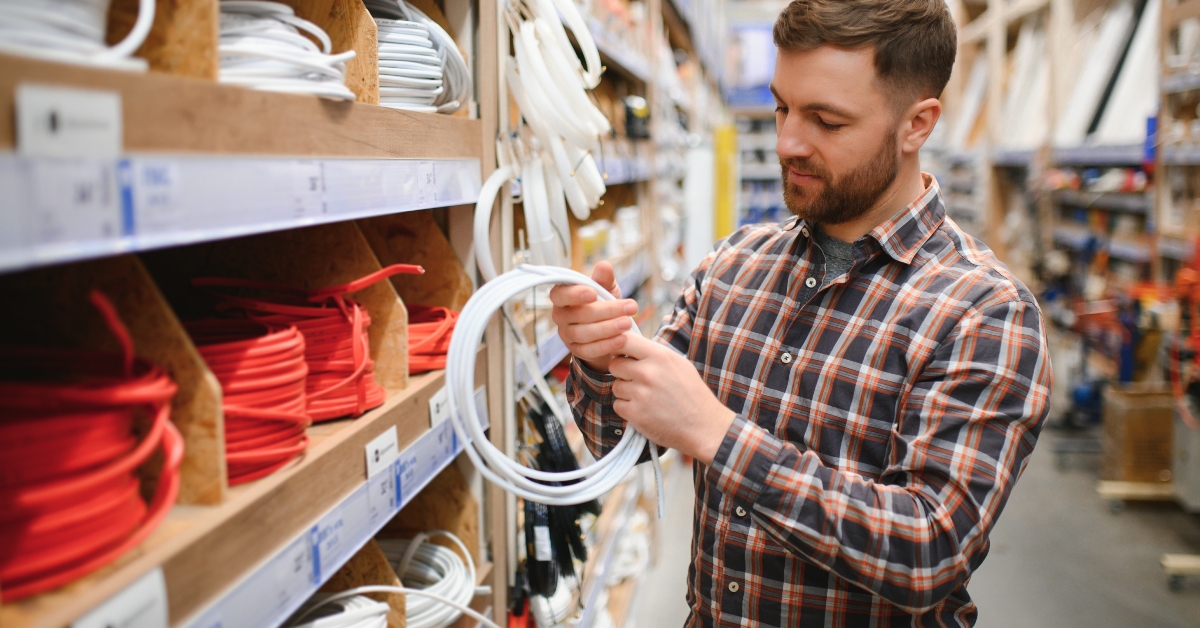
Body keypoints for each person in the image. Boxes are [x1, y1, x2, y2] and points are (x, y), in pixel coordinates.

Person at [549, 0, 1054, 625]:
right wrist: (601, 365)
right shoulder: (735, 266)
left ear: (917, 124)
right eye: (784, 106)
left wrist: (719, 435)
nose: (789, 142)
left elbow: (930, 552)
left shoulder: (984, 313)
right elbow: (618, 443)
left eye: (828, 121)